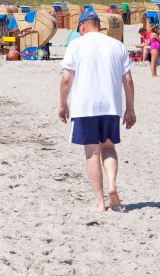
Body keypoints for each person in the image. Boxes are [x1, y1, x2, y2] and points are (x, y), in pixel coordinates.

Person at [58, 11, 136, 214]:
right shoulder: (117, 45)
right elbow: (128, 80)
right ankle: (112, 184)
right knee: (108, 148)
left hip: (85, 107)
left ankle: (100, 203)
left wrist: (62, 104)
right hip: (111, 106)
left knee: (91, 152)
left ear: (82, 26)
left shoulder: (76, 44)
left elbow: (66, 79)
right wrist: (130, 108)